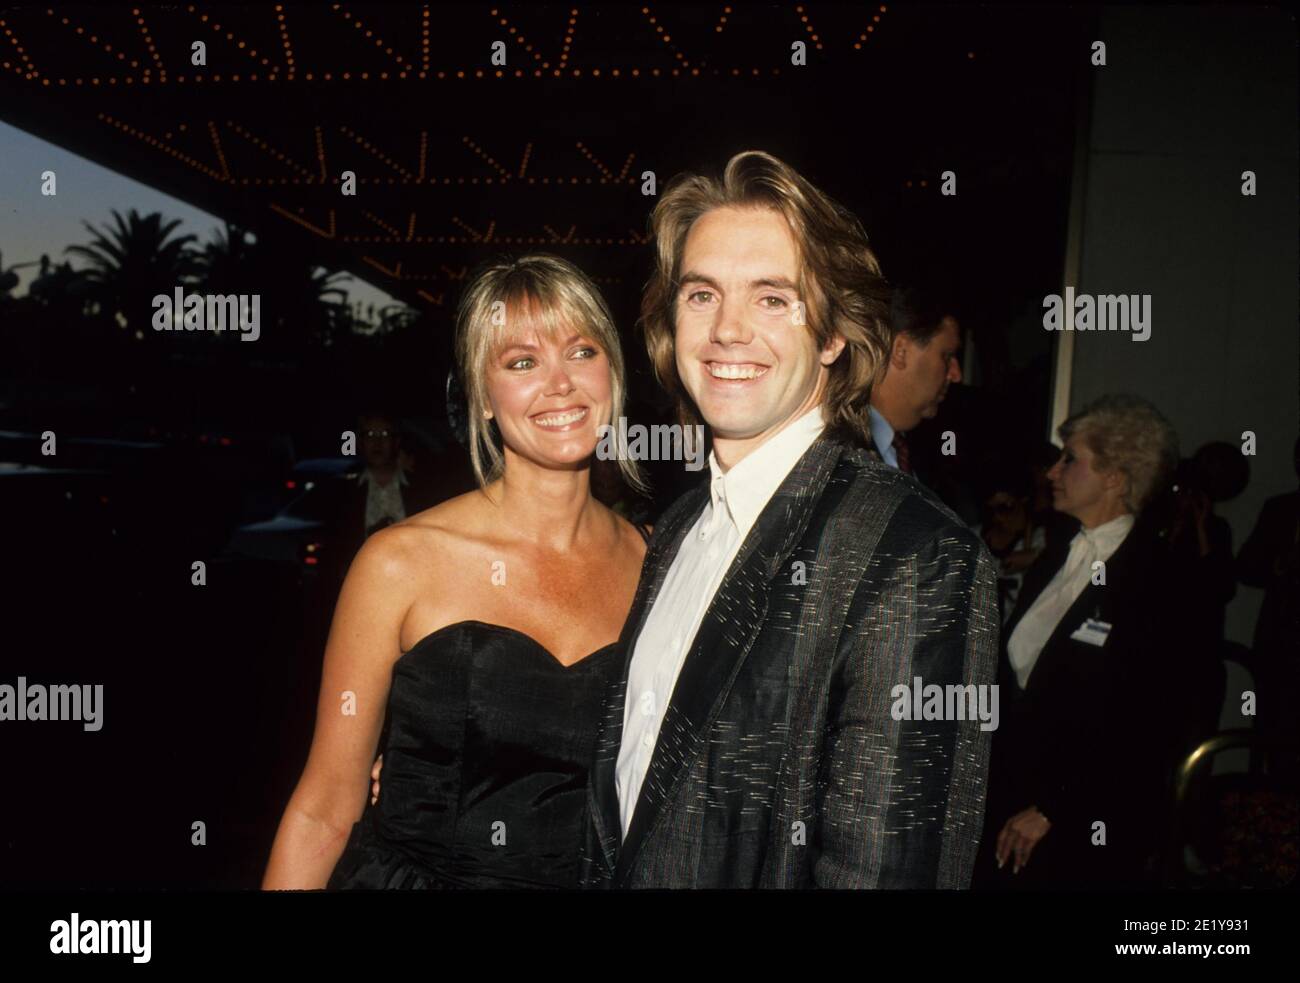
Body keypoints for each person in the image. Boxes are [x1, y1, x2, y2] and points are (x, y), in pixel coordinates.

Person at [579, 151, 1000, 888]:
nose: (727, 331)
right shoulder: (678, 528)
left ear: (835, 335)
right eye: (702, 295)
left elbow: (887, 872)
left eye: (773, 299)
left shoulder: (917, 554)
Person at [262, 254, 650, 889]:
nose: (560, 384)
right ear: (484, 398)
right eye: (522, 362)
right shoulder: (400, 562)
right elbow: (324, 808)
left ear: (612, 369)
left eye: (581, 351)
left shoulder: (654, 561)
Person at [977, 394, 1196, 889]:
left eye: (1070, 459)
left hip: (1084, 818)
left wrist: (1056, 807)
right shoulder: (1058, 553)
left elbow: (1150, 724)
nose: (1053, 472)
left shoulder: (1162, 578)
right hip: (1013, 796)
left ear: (1116, 478)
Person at [867, 282, 963, 478]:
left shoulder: (924, 457)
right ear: (901, 351)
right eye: (946, 357)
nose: (956, 374)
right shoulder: (837, 450)